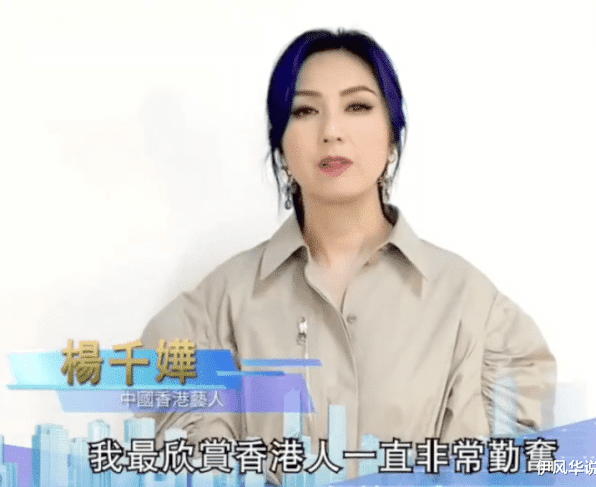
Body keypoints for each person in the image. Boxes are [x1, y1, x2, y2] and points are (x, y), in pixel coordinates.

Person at [140, 28, 556, 479]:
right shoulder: (213, 312)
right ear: (280, 145)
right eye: (305, 110)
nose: (332, 131)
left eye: (357, 106)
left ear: (392, 136)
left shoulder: (473, 309)